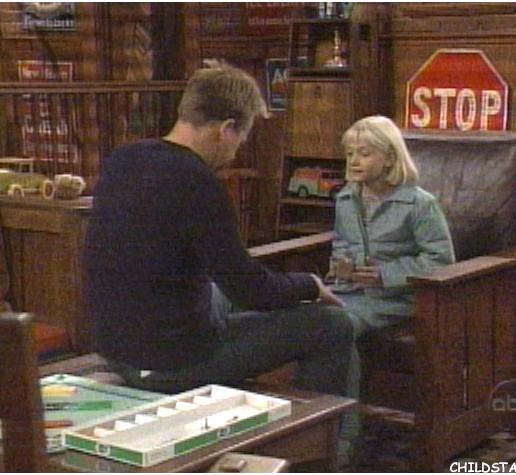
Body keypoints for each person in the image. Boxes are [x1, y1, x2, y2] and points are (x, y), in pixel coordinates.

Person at [82, 61, 356, 400]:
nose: (236, 151)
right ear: (226, 129)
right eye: (241, 138)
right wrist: (310, 285)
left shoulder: (124, 158)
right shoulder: (197, 180)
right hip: (167, 363)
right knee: (332, 325)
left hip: (116, 349)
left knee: (218, 295)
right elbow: (250, 290)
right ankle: (315, 428)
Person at [331, 115, 456, 338]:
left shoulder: (419, 203)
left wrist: (386, 275)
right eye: (350, 154)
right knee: (303, 319)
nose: (354, 161)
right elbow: (341, 244)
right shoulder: (346, 199)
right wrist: (341, 265)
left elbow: (441, 260)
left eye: (364, 154)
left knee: (333, 326)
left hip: (396, 299)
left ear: (389, 158)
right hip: (348, 291)